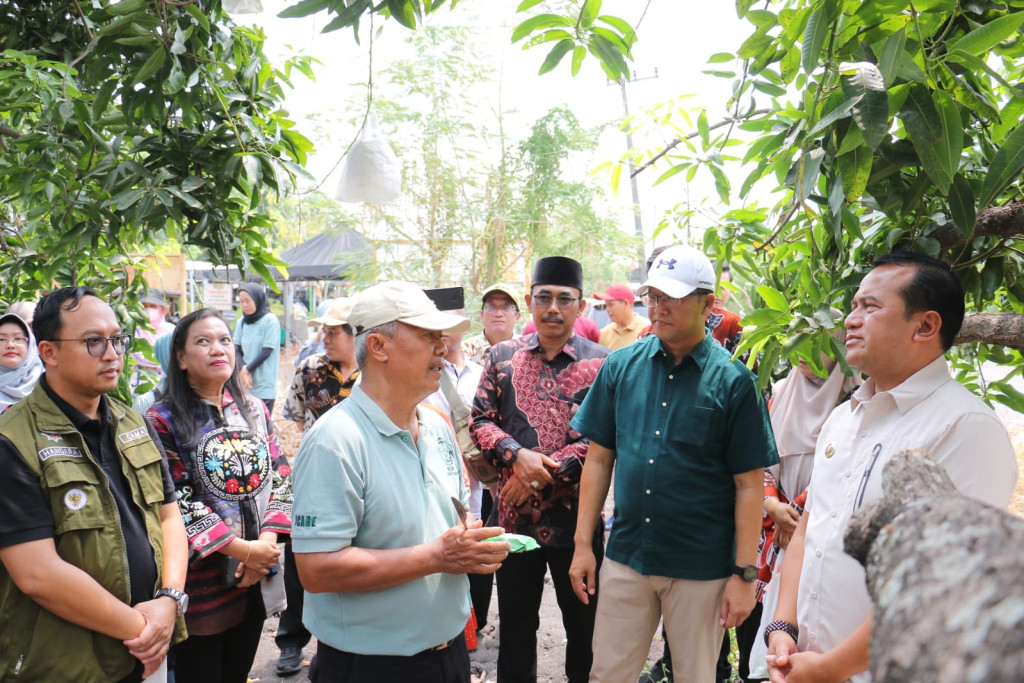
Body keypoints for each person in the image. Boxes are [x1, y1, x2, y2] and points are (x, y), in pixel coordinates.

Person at [765, 252, 1019, 683]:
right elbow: (809, 529)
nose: (850, 320)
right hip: (802, 663)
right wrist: (782, 627)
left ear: (926, 326)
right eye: (854, 305)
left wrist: (828, 669)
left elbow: (943, 584)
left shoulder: (964, 427)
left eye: (870, 307)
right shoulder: (844, 418)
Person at [568, 244, 778, 683]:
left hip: (700, 568)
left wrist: (743, 575)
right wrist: (583, 544)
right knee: (607, 674)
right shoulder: (620, 367)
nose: (658, 307)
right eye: (654, 296)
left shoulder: (735, 383)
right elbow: (599, 460)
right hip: (627, 558)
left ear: (707, 303)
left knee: (695, 676)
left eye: (673, 298)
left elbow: (748, 484)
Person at [291, 281, 509, 683]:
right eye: (428, 335)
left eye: (441, 336)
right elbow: (317, 569)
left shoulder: (437, 426)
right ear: (378, 346)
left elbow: (451, 520)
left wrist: (469, 541)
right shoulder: (335, 441)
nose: (442, 346)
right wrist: (438, 556)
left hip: (449, 655)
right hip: (371, 666)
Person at [0, 286, 188, 681]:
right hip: (70, 663)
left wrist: (170, 600)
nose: (112, 354)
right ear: (48, 352)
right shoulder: (13, 441)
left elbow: (169, 518)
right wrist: (144, 629)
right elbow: (37, 574)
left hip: (148, 650)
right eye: (93, 342)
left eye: (117, 339)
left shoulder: (132, 423)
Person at [471, 256, 609, 683]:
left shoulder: (603, 363)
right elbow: (480, 420)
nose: (553, 308)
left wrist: (536, 473)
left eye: (564, 299)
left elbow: (605, 438)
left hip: (577, 524)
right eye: (543, 298)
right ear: (529, 302)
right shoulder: (502, 356)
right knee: (515, 627)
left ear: (580, 306)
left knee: (585, 627)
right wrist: (517, 456)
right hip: (514, 523)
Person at [146, 308, 291, 683]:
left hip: (256, 576)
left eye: (225, 340)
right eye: (203, 341)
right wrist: (243, 551)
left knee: (238, 670)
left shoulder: (253, 409)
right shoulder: (161, 419)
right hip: (203, 587)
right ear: (180, 358)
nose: (217, 348)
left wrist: (263, 547)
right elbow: (178, 501)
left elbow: (281, 476)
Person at [744, 350, 860, 682]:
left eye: (817, 343)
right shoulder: (782, 390)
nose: (802, 354)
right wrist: (773, 506)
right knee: (754, 627)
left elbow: (842, 468)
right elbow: (758, 455)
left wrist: (796, 514)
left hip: (817, 527)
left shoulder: (856, 401)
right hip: (768, 528)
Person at [277, 297, 359, 677]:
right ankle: (291, 641)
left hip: (357, 479)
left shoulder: (375, 372)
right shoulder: (310, 369)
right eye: (323, 331)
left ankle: (340, 643)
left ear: (356, 333)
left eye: (334, 331)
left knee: (348, 558)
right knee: (299, 558)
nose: (325, 337)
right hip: (311, 477)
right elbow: (296, 418)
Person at [423, 286, 494, 634]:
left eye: (451, 322)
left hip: (479, 481)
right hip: (435, 480)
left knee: (477, 549)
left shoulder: (482, 373)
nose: (444, 331)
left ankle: (474, 628)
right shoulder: (423, 373)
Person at [233, 283, 281, 413]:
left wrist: (247, 369)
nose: (244, 305)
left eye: (248, 301)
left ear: (257, 299)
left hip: (264, 384)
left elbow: (267, 350)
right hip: (245, 384)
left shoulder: (270, 321)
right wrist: (243, 369)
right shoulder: (241, 322)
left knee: (263, 421)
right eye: (241, 301)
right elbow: (236, 349)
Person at [463, 283, 522, 364]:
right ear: (481, 315)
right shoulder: (466, 350)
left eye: (506, 308)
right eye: (492, 307)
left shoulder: (528, 349)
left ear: (518, 316)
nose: (498, 314)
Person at [0, 312, 43, 412]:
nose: (10, 345)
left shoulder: (49, 383)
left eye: (18, 338)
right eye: (2, 339)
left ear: (30, 343)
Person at [595, 283, 648, 350]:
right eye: (606, 305)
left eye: (611, 305)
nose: (607, 309)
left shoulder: (646, 330)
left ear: (625, 303)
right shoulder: (604, 333)